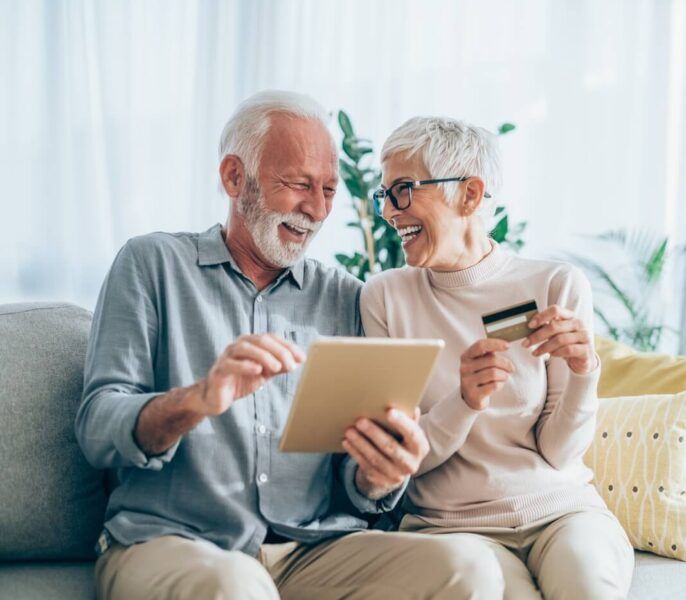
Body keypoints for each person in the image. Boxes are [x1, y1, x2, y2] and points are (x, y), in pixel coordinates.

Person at [76, 91, 503, 599]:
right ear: (234, 177)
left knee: (466, 566)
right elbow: (97, 427)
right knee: (235, 587)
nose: (317, 209)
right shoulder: (152, 264)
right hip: (174, 541)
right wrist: (195, 401)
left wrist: (377, 477)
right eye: (298, 184)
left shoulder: (346, 296)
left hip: (309, 551)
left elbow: (354, 477)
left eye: (328, 190)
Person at [360, 116, 635, 599]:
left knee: (587, 587)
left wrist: (584, 372)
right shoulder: (384, 298)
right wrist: (464, 400)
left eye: (401, 190)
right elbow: (402, 462)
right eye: (383, 194)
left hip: (562, 514)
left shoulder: (555, 285)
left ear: (469, 195)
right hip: (451, 530)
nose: (387, 211)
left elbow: (560, 452)